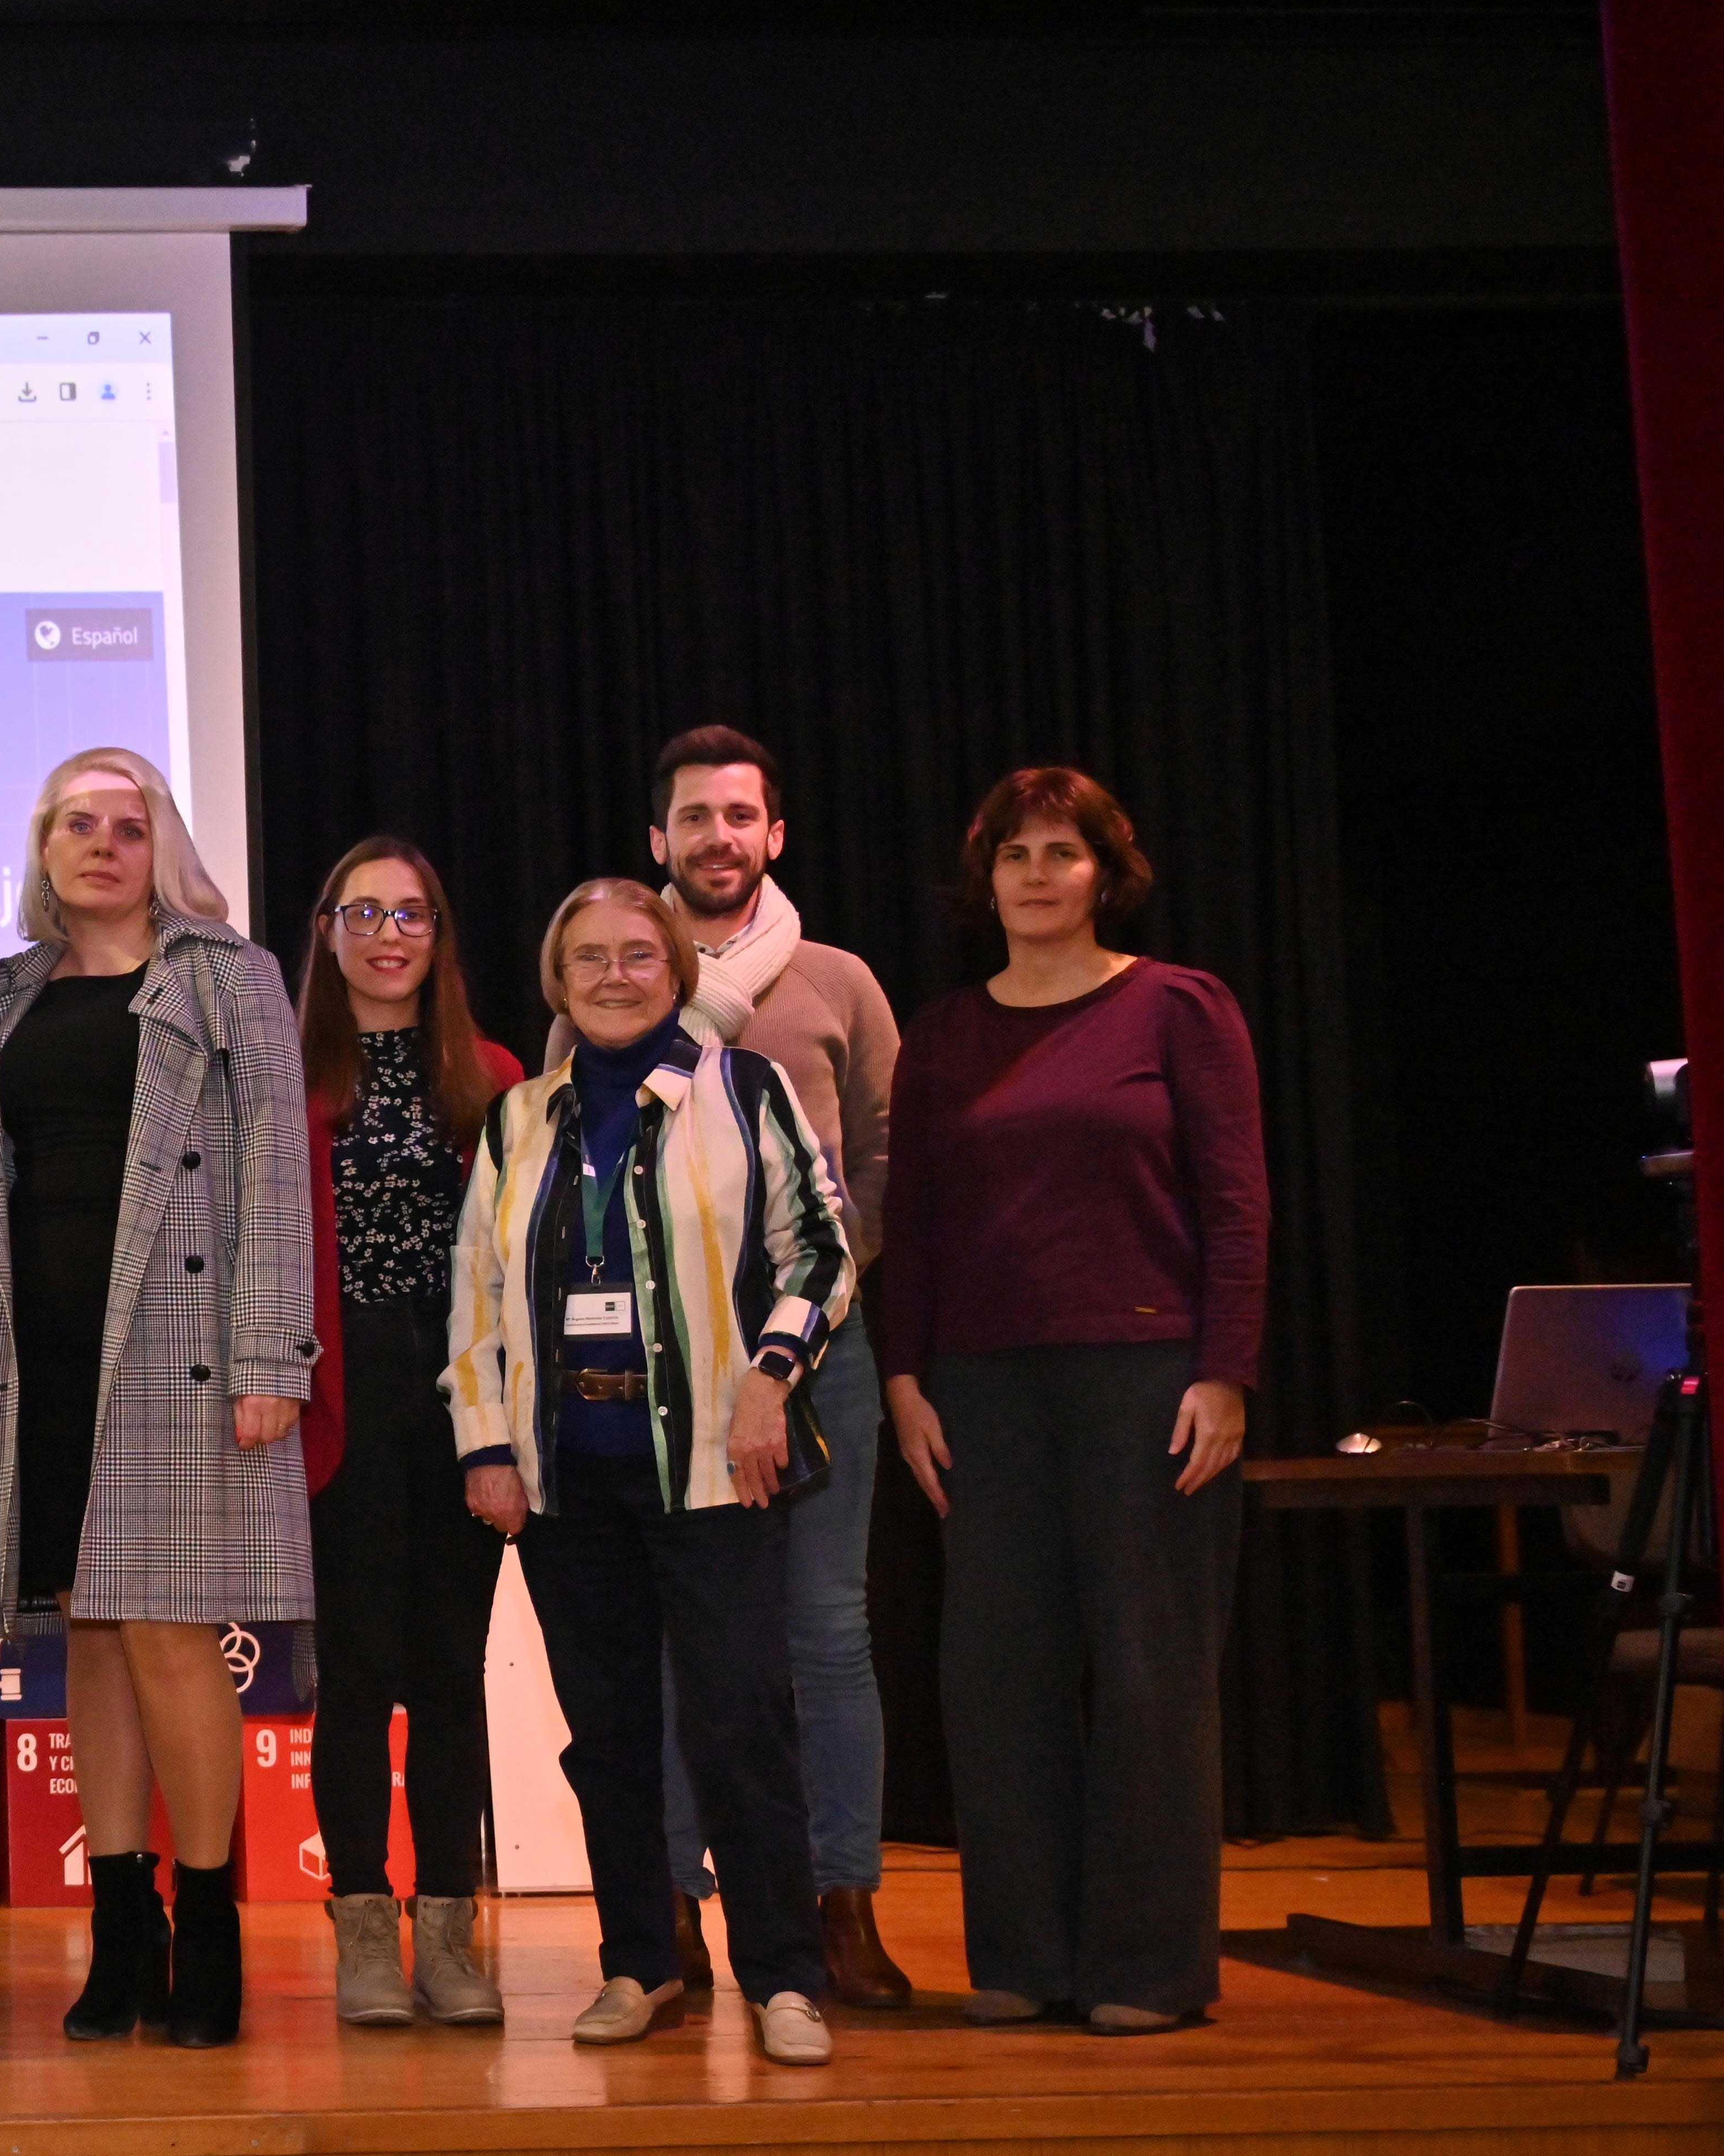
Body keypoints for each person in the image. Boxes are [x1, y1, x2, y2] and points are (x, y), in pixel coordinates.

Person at [876, 769, 1264, 2034]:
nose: (1037, 874)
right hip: (980, 1388)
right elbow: (918, 1226)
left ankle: (1147, 1968)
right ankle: (1024, 1955)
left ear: (1108, 872)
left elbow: (1237, 1204)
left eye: (1063, 852)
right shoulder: (941, 1034)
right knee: (997, 1673)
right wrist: (903, 1378)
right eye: (1014, 855)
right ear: (982, 881)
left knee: (1153, 1672)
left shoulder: (1178, 1009)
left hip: (1148, 1376)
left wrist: (1227, 1369)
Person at [445, 880, 853, 2062]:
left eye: (636, 953)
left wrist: (773, 1377)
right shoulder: (520, 1118)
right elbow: (475, 1291)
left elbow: (820, 1252)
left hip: (721, 1469)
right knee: (607, 1736)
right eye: (588, 959)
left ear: (675, 963)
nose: (614, 975)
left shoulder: (748, 1089)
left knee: (741, 1724)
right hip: (572, 1476)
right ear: (555, 979)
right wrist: (485, 1441)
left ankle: (783, 1976)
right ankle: (641, 1964)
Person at [0, 750, 314, 2049]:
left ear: (161, 844)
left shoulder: (229, 978)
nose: (100, 844)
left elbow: (276, 1175)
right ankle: (122, 1934)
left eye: (127, 823)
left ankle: (208, 1931)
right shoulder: (4, 1003)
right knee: (85, 1640)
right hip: (43, 1355)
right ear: (43, 846)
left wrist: (274, 1354)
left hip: (182, 1349)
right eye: (74, 823)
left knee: (166, 1634)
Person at [633, 726, 913, 2010]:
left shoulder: (842, 984)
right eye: (695, 818)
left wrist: (836, 1323)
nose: (719, 838)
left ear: (775, 835)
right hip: (670, 1365)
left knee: (829, 1634)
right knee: (688, 1648)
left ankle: (842, 1904)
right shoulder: (617, 978)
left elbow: (881, 1172)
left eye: (740, 816)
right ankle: (681, 1920)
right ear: (660, 841)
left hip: (826, 1359)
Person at [296, 836, 525, 2029]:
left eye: (414, 915)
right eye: (365, 911)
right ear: (327, 931)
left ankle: (451, 1932)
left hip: (459, 1404)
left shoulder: (490, 1074)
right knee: (356, 1677)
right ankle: (364, 1935)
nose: (389, 934)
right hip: (341, 1400)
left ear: (439, 938)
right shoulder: (284, 1075)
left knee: (449, 1674)